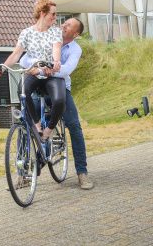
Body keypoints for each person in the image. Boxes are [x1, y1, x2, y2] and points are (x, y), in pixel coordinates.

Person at [19, 17, 94, 190]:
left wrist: (48, 70)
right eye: (64, 23)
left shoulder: (75, 49)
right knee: (25, 122)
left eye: (68, 26)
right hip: (38, 85)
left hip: (59, 88)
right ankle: (23, 174)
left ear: (75, 34)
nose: (63, 26)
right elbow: (24, 59)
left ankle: (82, 173)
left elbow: (67, 69)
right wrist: (37, 68)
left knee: (74, 126)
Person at [0, 0, 65, 144]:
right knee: (22, 91)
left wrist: (55, 62)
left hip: (50, 74)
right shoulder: (26, 33)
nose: (55, 17)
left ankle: (49, 129)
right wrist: (2, 68)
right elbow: (16, 53)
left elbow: (56, 48)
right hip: (33, 73)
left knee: (60, 100)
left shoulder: (55, 32)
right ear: (43, 13)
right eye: (53, 14)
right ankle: (37, 125)